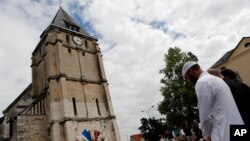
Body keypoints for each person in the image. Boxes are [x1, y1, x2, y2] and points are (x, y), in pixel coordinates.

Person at [182, 61, 244, 141]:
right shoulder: (217, 79)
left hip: (224, 132)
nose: (188, 82)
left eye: (186, 78)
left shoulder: (202, 83)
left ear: (190, 71)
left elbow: (204, 115)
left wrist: (206, 135)